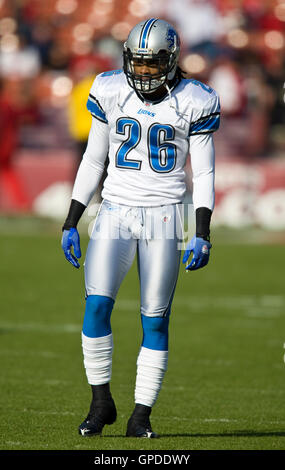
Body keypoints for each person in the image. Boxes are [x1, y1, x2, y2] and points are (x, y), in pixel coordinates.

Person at [61, 18, 220, 438]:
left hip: (166, 215)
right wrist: (72, 220)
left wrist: (201, 230)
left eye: (154, 64)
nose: (145, 71)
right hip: (114, 211)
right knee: (96, 306)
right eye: (139, 63)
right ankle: (100, 403)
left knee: (155, 319)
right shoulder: (110, 88)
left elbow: (203, 174)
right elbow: (94, 160)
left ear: (171, 61)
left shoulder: (195, 99)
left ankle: (141, 415)